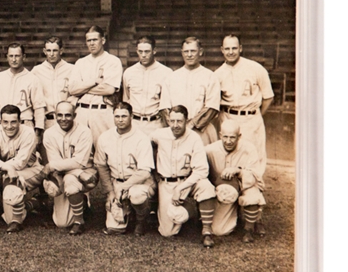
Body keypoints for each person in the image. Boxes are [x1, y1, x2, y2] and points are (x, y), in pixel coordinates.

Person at [150, 106, 219, 247]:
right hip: (166, 183)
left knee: (206, 187)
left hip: (188, 181)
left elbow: (202, 170)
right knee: (167, 232)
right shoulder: (159, 134)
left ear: (186, 121)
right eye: (172, 121)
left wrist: (180, 188)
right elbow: (146, 144)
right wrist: (153, 169)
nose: (175, 125)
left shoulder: (194, 138)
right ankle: (191, 210)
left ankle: (206, 231)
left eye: (179, 121)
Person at [214, 34, 274, 176]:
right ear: (222, 50)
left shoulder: (255, 68)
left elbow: (268, 96)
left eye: (234, 48)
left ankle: (254, 189)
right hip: (228, 117)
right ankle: (231, 191)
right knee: (230, 155)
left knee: (254, 155)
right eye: (227, 48)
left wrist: (256, 114)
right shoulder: (218, 74)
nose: (230, 52)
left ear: (240, 48)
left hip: (251, 119)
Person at [0, 105, 44, 233]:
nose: (9, 126)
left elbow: (21, 162)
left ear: (20, 121)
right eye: (5, 122)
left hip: (32, 171)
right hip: (10, 173)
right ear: (0, 122)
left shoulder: (28, 133)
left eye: (14, 122)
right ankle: (34, 203)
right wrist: (7, 167)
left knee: (13, 218)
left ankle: (18, 220)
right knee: (8, 218)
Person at [94, 102, 156, 236]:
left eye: (124, 116)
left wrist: (123, 187)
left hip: (139, 182)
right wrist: (110, 192)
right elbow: (101, 166)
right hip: (117, 181)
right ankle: (128, 211)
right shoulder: (105, 137)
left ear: (131, 116)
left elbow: (145, 172)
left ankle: (141, 220)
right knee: (114, 228)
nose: (120, 120)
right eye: (117, 116)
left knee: (137, 196)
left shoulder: (141, 138)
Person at [41, 101, 98, 234]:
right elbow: (56, 161)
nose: (63, 119)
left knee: (71, 181)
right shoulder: (49, 133)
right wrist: (55, 166)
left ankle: (79, 221)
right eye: (59, 115)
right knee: (62, 223)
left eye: (68, 115)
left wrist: (52, 166)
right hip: (64, 174)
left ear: (74, 115)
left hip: (86, 175)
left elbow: (80, 162)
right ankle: (81, 202)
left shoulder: (84, 131)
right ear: (55, 115)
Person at [205, 120, 267, 242]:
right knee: (219, 230)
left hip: (245, 186)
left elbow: (257, 176)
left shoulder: (249, 148)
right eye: (225, 137)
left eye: (232, 137)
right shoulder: (210, 150)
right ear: (220, 135)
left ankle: (249, 228)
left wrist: (239, 171)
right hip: (224, 192)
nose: (228, 141)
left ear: (239, 136)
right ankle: (234, 212)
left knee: (253, 194)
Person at [160, 36, 220, 145]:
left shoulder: (210, 76)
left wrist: (190, 125)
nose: (189, 55)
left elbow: (211, 107)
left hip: (201, 131)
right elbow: (165, 107)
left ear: (200, 52)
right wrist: (177, 126)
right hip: (176, 131)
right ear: (182, 53)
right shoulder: (171, 77)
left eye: (193, 51)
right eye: (186, 51)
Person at [68, 26, 123, 143]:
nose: (92, 43)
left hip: (102, 112)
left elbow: (109, 89)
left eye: (95, 40)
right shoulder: (80, 62)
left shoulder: (113, 61)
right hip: (81, 112)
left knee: (103, 150)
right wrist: (93, 82)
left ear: (103, 40)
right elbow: (72, 89)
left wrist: (82, 88)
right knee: (81, 151)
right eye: (89, 40)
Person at [121, 35, 172, 135]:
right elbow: (126, 99)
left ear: (154, 51)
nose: (143, 55)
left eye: (147, 51)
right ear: (136, 51)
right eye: (140, 52)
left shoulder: (166, 73)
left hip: (156, 124)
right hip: (134, 124)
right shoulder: (129, 72)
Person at [0, 43, 47, 133]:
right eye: (11, 56)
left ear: (24, 57)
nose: (14, 59)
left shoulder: (32, 79)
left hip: (24, 125)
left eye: (17, 56)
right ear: (7, 57)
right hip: (2, 126)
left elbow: (39, 107)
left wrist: (39, 130)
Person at [32, 36, 76, 130]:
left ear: (61, 50)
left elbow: (76, 93)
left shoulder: (71, 69)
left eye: (55, 50)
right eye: (48, 50)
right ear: (44, 51)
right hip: (47, 121)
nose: (51, 54)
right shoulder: (36, 71)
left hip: (67, 120)